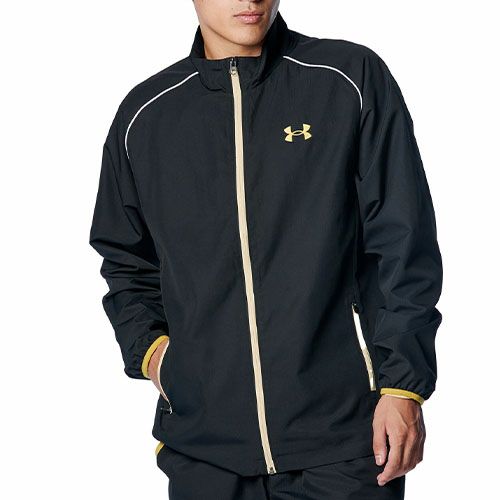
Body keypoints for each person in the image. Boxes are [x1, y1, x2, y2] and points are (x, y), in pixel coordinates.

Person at [89, 1, 443, 498]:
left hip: (345, 443)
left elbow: (403, 242)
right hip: (205, 451)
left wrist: (403, 385)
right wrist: (155, 357)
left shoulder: (347, 79)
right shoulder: (146, 115)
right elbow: (126, 260)